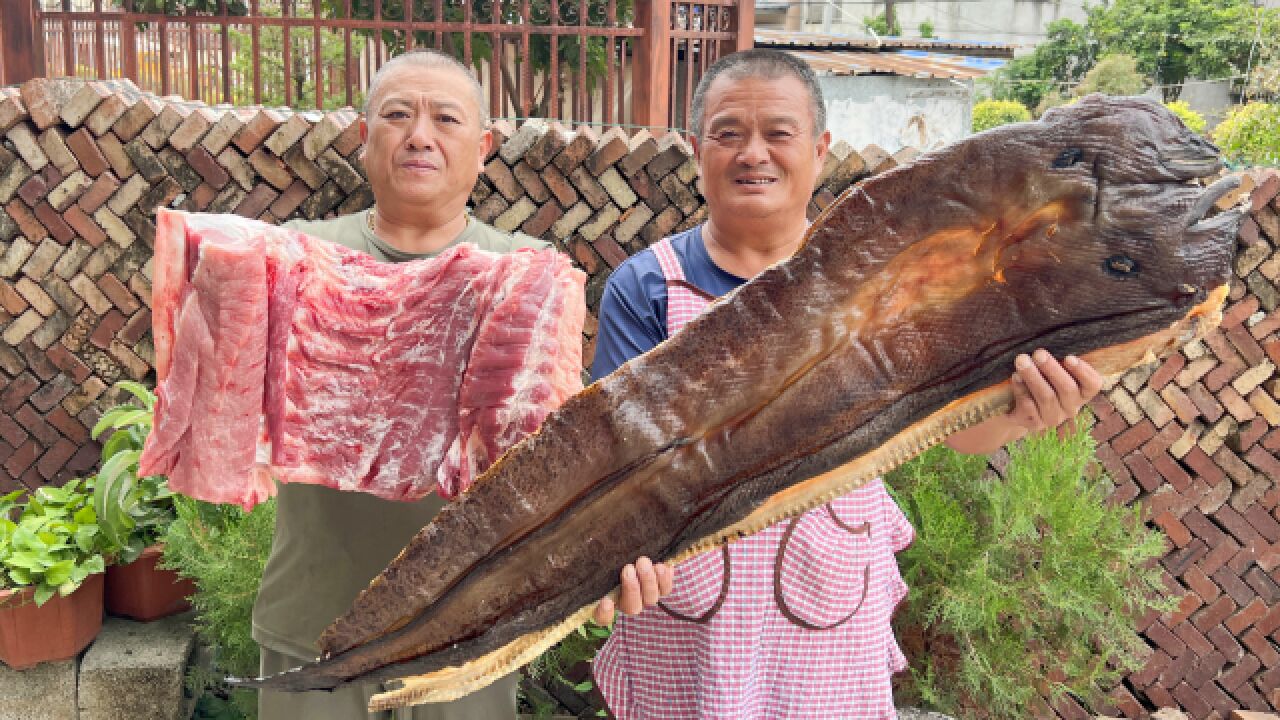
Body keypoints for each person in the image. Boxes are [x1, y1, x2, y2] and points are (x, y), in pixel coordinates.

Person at [588, 49, 1104, 720]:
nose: (753, 154)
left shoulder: (885, 284)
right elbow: (618, 465)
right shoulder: (648, 285)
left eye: (779, 133)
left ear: (820, 149)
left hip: (830, 602)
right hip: (681, 606)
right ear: (696, 150)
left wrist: (1024, 411)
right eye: (728, 133)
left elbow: (959, 429)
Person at [251, 49, 667, 720]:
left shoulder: (529, 278)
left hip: (468, 632)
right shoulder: (298, 257)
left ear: (481, 149)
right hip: (314, 628)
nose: (420, 134)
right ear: (365, 140)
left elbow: (563, 455)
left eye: (445, 118)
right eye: (397, 115)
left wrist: (602, 554)